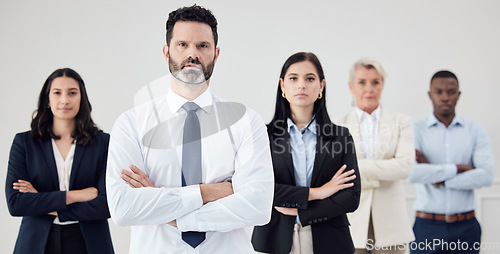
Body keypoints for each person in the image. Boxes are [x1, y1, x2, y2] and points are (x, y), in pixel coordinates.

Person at [105, 5, 274, 253]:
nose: (192, 54)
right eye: (182, 45)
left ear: (216, 54)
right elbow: (123, 208)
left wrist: (167, 208)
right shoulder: (131, 123)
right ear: (166, 52)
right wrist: (210, 192)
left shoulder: (246, 122)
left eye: (202, 46)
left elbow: (258, 206)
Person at [251, 52, 361, 254]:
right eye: (293, 78)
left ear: (321, 86)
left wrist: (304, 211)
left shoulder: (340, 137)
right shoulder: (263, 136)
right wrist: (319, 192)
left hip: (330, 240)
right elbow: (259, 189)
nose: (301, 85)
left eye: (310, 78)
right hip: (274, 240)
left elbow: (351, 197)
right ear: (283, 85)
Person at [5, 68, 114, 254]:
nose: (65, 100)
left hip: (89, 242)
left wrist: (42, 201)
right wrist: (77, 195)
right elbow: (16, 203)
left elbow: (107, 205)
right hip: (36, 243)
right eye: (57, 93)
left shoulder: (103, 143)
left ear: (82, 98)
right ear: (47, 98)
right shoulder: (24, 143)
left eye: (72, 93)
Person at [408, 70, 495, 254]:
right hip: (426, 228)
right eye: (439, 92)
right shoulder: (414, 130)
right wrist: (458, 169)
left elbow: (486, 175)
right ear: (430, 95)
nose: (445, 97)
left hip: (466, 228)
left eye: (451, 92)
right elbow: (410, 172)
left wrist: (440, 180)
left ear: (459, 94)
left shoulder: (475, 130)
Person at [335, 58, 415, 254]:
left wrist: (357, 167)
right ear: (351, 86)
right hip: (351, 221)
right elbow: (334, 171)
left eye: (375, 82)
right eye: (362, 82)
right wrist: (383, 168)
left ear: (382, 85)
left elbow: (404, 167)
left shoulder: (401, 122)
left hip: (392, 225)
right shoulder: (336, 125)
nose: (369, 88)